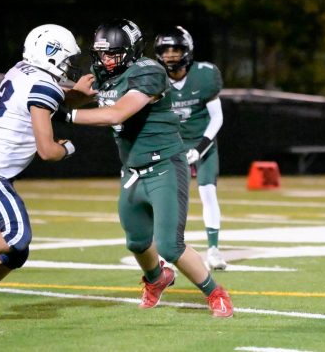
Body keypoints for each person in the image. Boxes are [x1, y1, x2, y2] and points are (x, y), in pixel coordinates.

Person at [62, 18, 233, 317]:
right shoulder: (103, 73)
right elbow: (76, 97)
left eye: (112, 53)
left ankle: (215, 293)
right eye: (101, 53)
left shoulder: (149, 72)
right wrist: (53, 97)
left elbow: (116, 113)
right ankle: (157, 279)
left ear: (131, 50)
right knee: (137, 241)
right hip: (132, 170)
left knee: (170, 246)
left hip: (165, 166)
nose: (105, 59)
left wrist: (65, 117)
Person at [0, 24, 88, 322]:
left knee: (15, 252)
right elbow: (47, 150)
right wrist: (70, 148)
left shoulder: (22, 71)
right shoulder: (43, 85)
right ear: (51, 54)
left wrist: (85, 95)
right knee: (16, 234)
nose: (67, 64)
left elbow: (57, 97)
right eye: (65, 57)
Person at [154, 26, 227, 270]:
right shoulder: (155, 79)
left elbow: (217, 118)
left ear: (187, 51)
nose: (171, 55)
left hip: (203, 141)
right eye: (166, 50)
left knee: (208, 192)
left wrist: (201, 147)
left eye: (176, 49)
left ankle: (214, 249)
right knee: (170, 199)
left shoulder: (204, 76)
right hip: (174, 145)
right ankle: (169, 250)